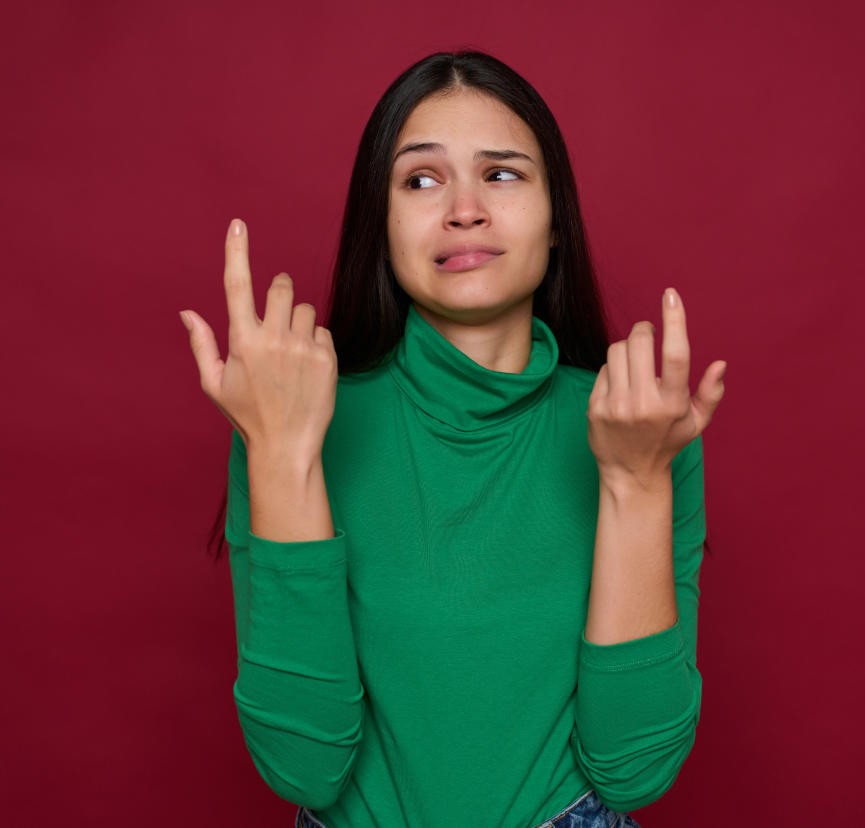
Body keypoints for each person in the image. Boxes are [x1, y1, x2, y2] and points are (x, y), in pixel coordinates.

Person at [179, 50, 726, 828]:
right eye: (421, 180)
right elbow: (304, 766)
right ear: (383, 225)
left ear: (556, 221)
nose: (464, 209)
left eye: (502, 175)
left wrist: (635, 483)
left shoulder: (639, 425)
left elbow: (634, 768)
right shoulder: (293, 415)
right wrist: (281, 452)